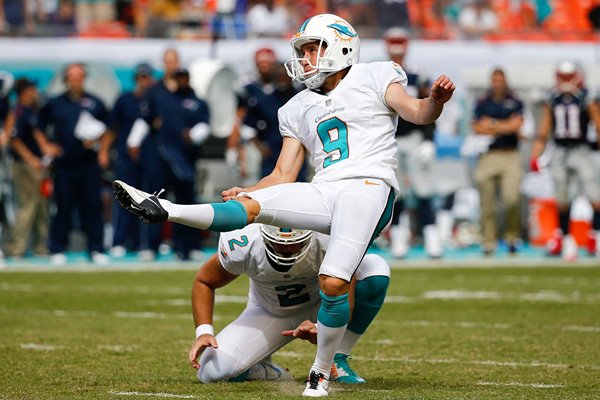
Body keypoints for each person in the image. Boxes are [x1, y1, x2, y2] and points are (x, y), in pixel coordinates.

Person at [114, 13, 455, 397]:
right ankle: (167, 209)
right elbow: (281, 174)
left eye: (314, 48)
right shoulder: (296, 106)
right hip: (324, 189)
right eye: (304, 50)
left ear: (342, 45)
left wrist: (435, 102)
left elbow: (418, 113)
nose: (307, 57)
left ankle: (322, 372)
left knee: (334, 279)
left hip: (369, 186)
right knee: (249, 205)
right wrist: (249, 190)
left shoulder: (375, 75)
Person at [189, 224, 390, 384]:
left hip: (325, 303)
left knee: (375, 269)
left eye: (295, 243)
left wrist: (322, 328)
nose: (287, 248)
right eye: (279, 243)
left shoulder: (326, 236)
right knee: (211, 371)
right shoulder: (245, 242)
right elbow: (205, 281)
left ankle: (336, 359)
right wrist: (204, 331)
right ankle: (258, 367)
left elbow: (348, 295)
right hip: (270, 312)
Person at [127, 49, 211, 260]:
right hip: (160, 154)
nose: (172, 65)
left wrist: (195, 135)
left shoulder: (192, 96)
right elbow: (146, 119)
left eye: (175, 61)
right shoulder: (156, 92)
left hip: (185, 157)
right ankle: (151, 245)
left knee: (186, 203)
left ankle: (187, 246)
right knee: (154, 200)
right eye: (168, 61)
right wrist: (134, 141)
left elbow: (204, 122)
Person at [38, 62, 112, 264]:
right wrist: (47, 146)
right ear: (66, 79)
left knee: (93, 206)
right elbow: (38, 126)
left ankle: (96, 248)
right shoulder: (55, 103)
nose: (76, 79)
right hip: (64, 164)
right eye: (72, 76)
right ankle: (57, 248)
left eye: (79, 75)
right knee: (63, 206)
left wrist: (101, 148)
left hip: (88, 163)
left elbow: (109, 129)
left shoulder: (95, 102)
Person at [530, 61, 600, 261]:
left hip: (582, 150)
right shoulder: (552, 98)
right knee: (561, 199)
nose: (566, 81)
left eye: (569, 76)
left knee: (595, 197)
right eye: (563, 76)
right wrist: (536, 155)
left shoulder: (587, 97)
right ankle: (566, 240)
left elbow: (598, 124)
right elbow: (544, 129)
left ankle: (594, 236)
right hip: (560, 151)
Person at [383, 27, 442, 259]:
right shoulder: (380, 73)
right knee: (397, 192)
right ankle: (399, 237)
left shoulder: (417, 74)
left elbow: (431, 105)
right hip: (390, 140)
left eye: (400, 43)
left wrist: (429, 139)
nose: (397, 49)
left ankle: (431, 237)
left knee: (423, 189)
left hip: (415, 138)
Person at [472, 68, 524, 256]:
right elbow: (477, 127)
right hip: (488, 155)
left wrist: (492, 125)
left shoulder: (515, 100)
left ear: (505, 81)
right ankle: (488, 241)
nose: (497, 83)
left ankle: (512, 237)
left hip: (510, 155)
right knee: (487, 203)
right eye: (494, 80)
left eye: (500, 80)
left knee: (512, 199)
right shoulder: (483, 102)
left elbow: (516, 125)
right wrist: (504, 126)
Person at [107, 62, 155, 257]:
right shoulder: (125, 100)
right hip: (127, 158)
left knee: (148, 201)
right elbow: (113, 128)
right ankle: (119, 241)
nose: (144, 82)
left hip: (150, 158)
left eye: (147, 77)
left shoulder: (155, 99)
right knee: (124, 199)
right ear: (136, 79)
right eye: (141, 78)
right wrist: (104, 151)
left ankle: (143, 243)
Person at [4, 79, 54, 258]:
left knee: (41, 206)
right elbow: (14, 139)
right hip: (24, 165)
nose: (36, 92)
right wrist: (31, 159)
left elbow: (37, 135)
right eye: (32, 89)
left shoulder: (33, 111)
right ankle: (16, 247)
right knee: (27, 206)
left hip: (38, 165)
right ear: (25, 91)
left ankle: (40, 247)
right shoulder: (18, 110)